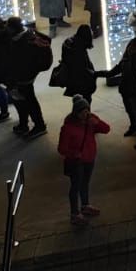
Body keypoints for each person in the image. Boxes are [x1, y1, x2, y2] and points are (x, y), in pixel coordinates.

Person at [57, 96, 110, 226]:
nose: (85, 114)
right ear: (76, 112)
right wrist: (75, 154)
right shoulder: (68, 127)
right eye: (82, 112)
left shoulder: (90, 121)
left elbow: (106, 129)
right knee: (75, 187)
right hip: (76, 162)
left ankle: (85, 206)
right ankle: (74, 214)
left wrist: (96, 122)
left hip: (89, 158)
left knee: (85, 183)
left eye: (87, 111)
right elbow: (62, 148)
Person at [5, 16, 50, 137]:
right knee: (24, 100)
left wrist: (22, 75)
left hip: (24, 77)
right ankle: (25, 124)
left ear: (12, 28)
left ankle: (39, 125)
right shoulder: (25, 35)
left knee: (29, 101)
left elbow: (23, 62)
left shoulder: (25, 41)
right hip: (23, 76)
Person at [56, 24, 99, 102]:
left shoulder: (68, 42)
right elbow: (84, 68)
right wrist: (96, 74)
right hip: (82, 81)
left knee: (77, 101)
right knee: (85, 101)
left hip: (71, 78)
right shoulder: (80, 49)